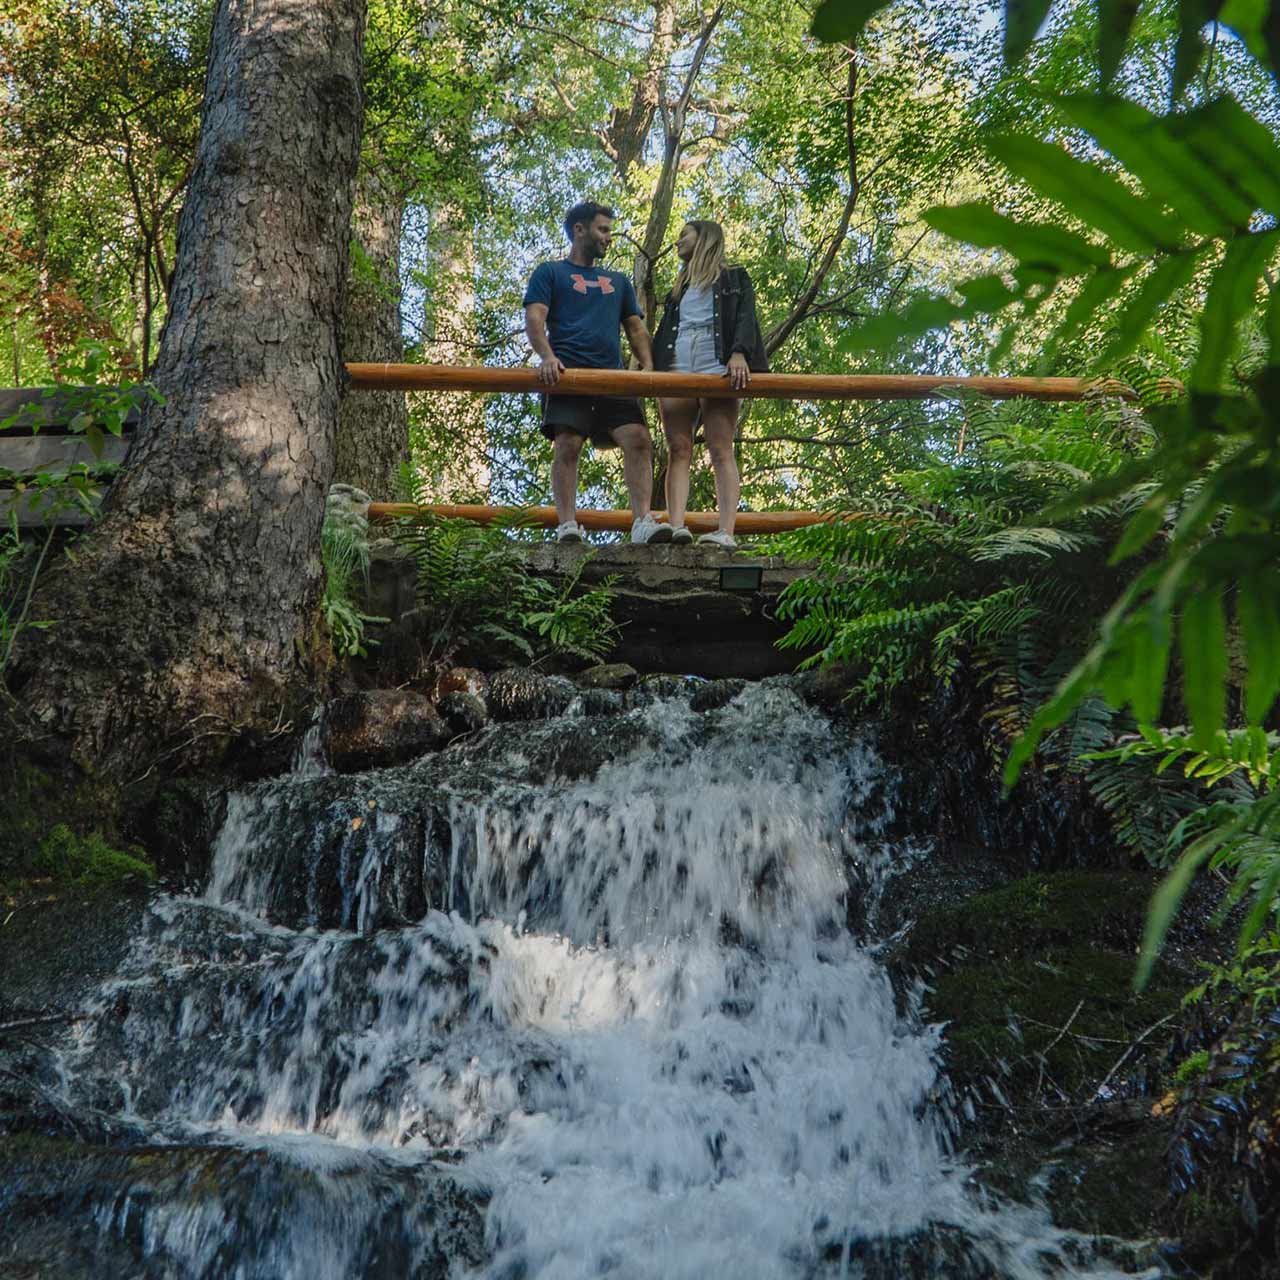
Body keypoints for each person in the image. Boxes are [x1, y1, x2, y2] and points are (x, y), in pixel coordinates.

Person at [523, 200, 672, 545]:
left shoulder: (617, 281)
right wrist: (546, 356)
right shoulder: (550, 273)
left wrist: (648, 368)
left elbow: (635, 328)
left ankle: (642, 522)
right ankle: (567, 525)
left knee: (638, 438)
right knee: (568, 443)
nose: (608, 238)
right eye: (603, 229)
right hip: (568, 375)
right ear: (580, 230)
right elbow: (534, 318)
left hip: (613, 377)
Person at [651, 220, 768, 550]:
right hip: (677, 362)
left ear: (704, 238)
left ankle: (725, 532)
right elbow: (665, 333)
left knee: (720, 447)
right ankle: (676, 527)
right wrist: (651, 367)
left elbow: (746, 317)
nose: (677, 243)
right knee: (678, 447)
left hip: (716, 362)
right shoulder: (678, 290)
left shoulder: (734, 279)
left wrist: (740, 353)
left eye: (683, 236)